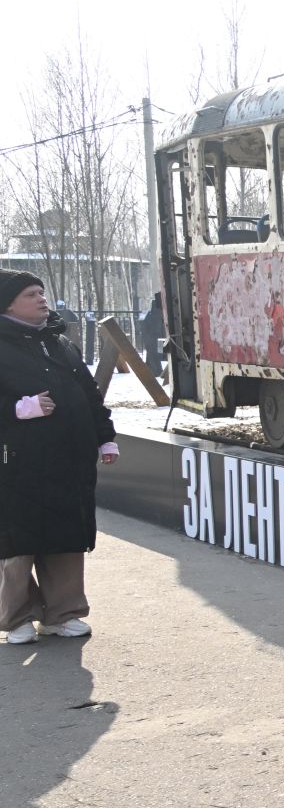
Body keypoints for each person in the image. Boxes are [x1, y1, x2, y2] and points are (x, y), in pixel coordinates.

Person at [0, 271, 117, 646]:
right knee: (19, 540)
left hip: (68, 460)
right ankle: (17, 616)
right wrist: (18, 409)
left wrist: (105, 438)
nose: (41, 298)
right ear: (8, 303)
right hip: (17, 463)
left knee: (66, 537)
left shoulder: (59, 343)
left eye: (42, 292)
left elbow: (89, 393)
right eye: (31, 294)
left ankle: (63, 614)